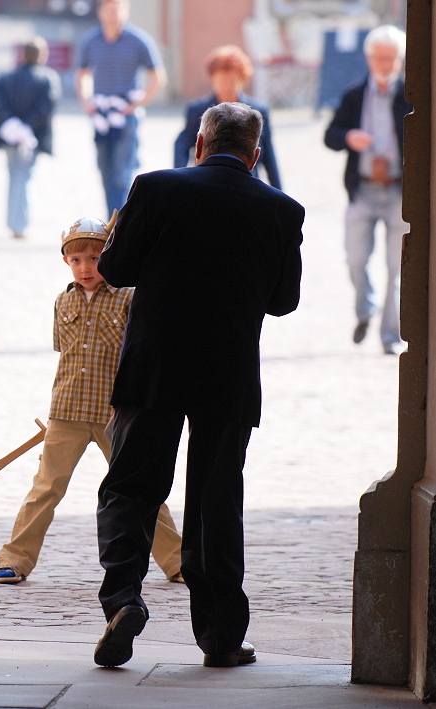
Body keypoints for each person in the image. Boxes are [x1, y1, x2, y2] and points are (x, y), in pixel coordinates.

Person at [93, 102, 303, 669]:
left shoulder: (155, 188)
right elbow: (284, 302)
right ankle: (221, 636)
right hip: (228, 374)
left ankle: (123, 599)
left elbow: (114, 270)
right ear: (255, 155)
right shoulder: (282, 209)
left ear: (199, 144)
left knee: (131, 488)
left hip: (154, 367)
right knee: (215, 502)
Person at [0, 214, 183, 586]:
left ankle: (178, 561)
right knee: (45, 488)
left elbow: (142, 353)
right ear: (66, 261)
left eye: (94, 259)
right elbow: (64, 353)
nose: (85, 268)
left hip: (117, 413)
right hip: (67, 411)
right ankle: (14, 559)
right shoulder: (62, 302)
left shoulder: (129, 298)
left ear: (109, 257)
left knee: (140, 490)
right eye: (76, 260)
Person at [324, 25, 411, 355]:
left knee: (397, 269)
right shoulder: (354, 95)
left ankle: (390, 335)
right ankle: (365, 309)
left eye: (390, 58)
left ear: (400, 60)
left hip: (399, 193)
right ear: (368, 58)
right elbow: (330, 135)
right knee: (355, 260)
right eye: (378, 57)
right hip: (362, 191)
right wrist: (349, 138)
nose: (384, 64)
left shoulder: (411, 96)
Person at [75, 0, 166, 214]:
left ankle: (121, 225)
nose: (113, 14)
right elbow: (82, 74)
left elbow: (158, 77)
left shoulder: (138, 40)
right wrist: (86, 101)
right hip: (100, 115)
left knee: (122, 172)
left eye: (118, 9)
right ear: (100, 12)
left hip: (126, 115)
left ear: (126, 11)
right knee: (105, 170)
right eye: (109, 9)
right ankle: (112, 221)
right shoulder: (91, 41)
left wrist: (136, 103)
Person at [173, 45, 281, 190]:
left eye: (232, 80)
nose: (227, 85)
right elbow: (182, 144)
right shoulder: (197, 110)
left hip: (246, 184)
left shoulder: (258, 112)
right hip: (206, 182)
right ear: (212, 79)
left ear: (242, 79)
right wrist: (179, 178)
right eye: (222, 79)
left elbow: (268, 153)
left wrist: (279, 192)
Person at [0, 36, 60, 240]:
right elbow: (46, 106)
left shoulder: (6, 77)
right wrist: (27, 126)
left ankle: (13, 222)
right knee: (25, 177)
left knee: (14, 177)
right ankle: (20, 224)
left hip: (10, 135)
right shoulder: (47, 78)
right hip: (32, 137)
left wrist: (13, 123)